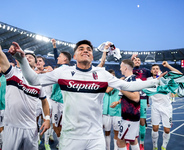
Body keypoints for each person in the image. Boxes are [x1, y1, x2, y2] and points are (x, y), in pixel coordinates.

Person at [10, 36, 167, 150]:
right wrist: (22, 60)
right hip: (70, 137)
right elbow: (34, 81)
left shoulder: (102, 74)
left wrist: (156, 81)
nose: (85, 51)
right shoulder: (63, 72)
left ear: (92, 55)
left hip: (95, 138)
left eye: (89, 49)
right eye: (81, 49)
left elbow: (128, 85)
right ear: (76, 55)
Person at [0, 8, 50, 150]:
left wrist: (47, 118)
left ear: (35, 62)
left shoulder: (39, 81)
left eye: (31, 57)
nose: (28, 58)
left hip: (31, 128)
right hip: (11, 127)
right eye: (25, 56)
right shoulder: (12, 73)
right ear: (20, 59)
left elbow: (44, 101)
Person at [148, 61, 182, 150]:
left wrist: (167, 65)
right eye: (153, 69)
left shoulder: (166, 79)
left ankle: (164, 146)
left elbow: (180, 74)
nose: (155, 70)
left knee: (167, 130)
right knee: (155, 128)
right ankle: (155, 147)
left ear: (160, 70)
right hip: (155, 107)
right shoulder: (148, 80)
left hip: (167, 107)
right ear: (151, 71)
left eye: (157, 69)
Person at [111, 59, 140, 150]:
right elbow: (127, 97)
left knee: (120, 142)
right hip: (130, 115)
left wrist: (120, 88)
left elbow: (136, 97)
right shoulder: (128, 79)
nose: (120, 69)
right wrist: (118, 102)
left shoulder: (132, 79)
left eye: (121, 67)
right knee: (133, 141)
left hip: (130, 117)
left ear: (126, 68)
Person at [50, 38, 72, 149]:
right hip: (59, 100)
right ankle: (61, 142)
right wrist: (54, 46)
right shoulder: (64, 69)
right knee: (58, 124)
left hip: (61, 101)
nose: (57, 57)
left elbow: (56, 59)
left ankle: (63, 143)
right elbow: (56, 58)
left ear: (65, 59)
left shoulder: (66, 70)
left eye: (60, 56)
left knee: (59, 125)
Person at [131, 54, 152, 150]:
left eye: (139, 60)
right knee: (131, 122)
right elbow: (124, 67)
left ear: (141, 62)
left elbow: (149, 86)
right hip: (131, 99)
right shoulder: (130, 70)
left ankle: (142, 143)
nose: (137, 61)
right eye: (135, 60)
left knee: (142, 122)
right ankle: (130, 141)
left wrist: (147, 100)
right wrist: (130, 60)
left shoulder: (146, 71)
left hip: (142, 99)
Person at [102, 69, 121, 150]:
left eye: (112, 76)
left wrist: (118, 102)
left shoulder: (119, 85)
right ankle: (108, 148)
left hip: (117, 112)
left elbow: (124, 97)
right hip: (105, 112)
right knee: (107, 132)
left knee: (117, 132)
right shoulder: (103, 85)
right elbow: (107, 91)